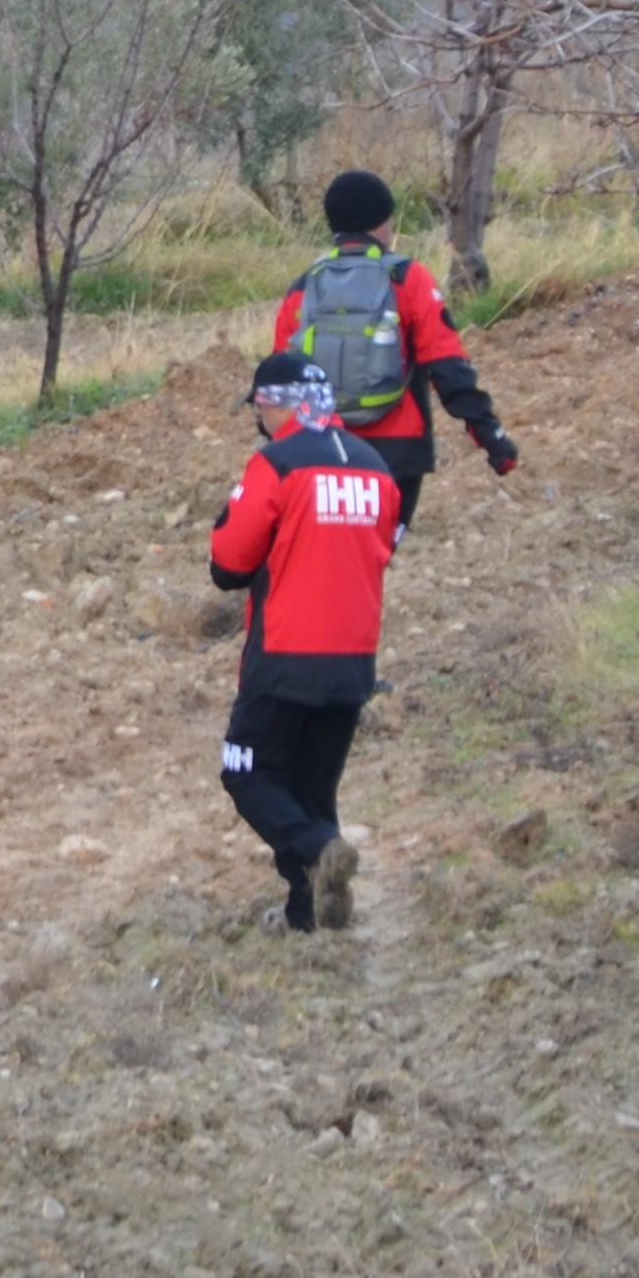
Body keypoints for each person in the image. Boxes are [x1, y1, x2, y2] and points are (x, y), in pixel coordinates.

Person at [208, 350, 406, 932]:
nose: (258, 419)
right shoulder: (375, 466)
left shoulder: (278, 464)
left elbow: (228, 561)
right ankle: (311, 913)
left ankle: (321, 850)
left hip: (285, 655)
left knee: (245, 772)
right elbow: (383, 549)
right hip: (354, 658)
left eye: (260, 408)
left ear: (274, 405)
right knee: (312, 788)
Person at [262, 170, 518, 536]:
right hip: (397, 453)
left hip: (322, 452)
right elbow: (449, 370)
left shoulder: (304, 287)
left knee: (332, 560)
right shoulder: (408, 280)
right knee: (375, 560)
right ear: (385, 221)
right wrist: (492, 440)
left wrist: (281, 456)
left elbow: (279, 385)